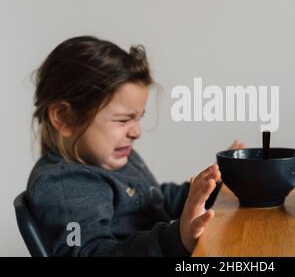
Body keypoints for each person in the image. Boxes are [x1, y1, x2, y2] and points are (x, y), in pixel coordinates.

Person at [27, 36, 245, 256]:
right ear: (65, 117)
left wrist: (208, 188)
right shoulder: (66, 185)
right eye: (123, 120)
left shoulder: (116, 157)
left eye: (138, 118)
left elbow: (154, 202)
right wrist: (176, 238)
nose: (136, 132)